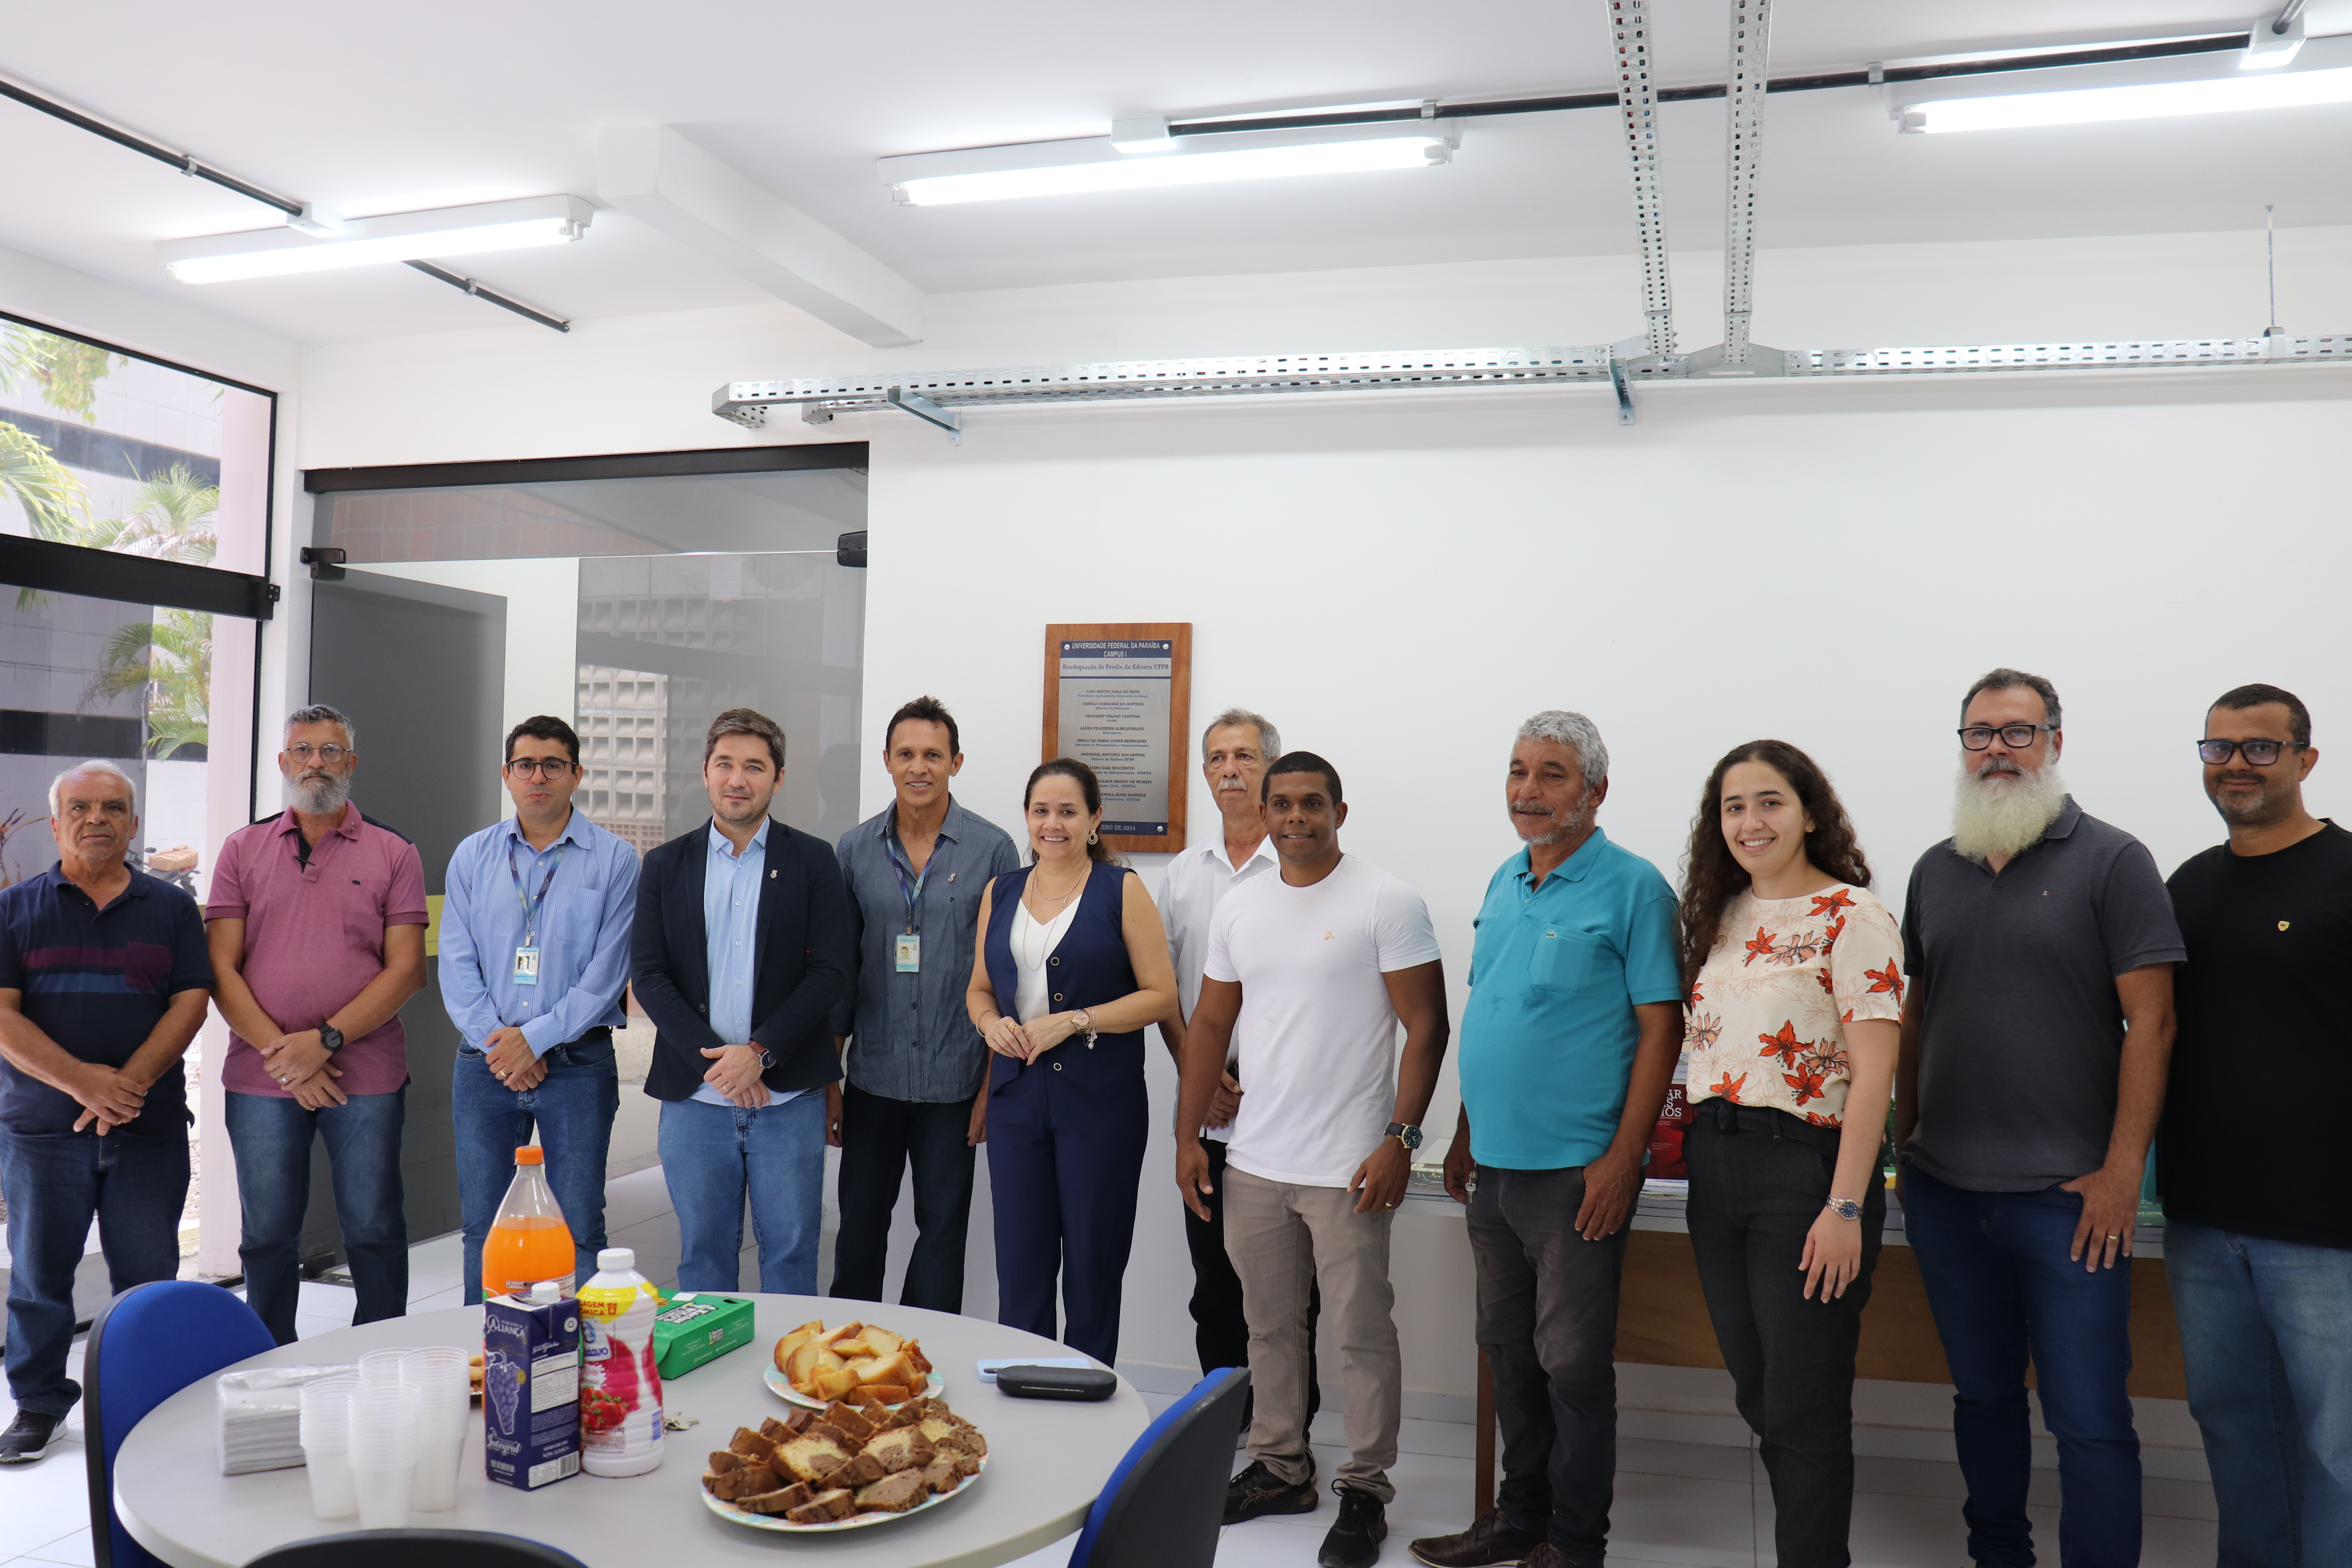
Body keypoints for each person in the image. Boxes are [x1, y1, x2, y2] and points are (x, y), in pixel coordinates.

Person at [1896, 669, 2183, 1568]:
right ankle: (1999, 1557)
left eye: (2017, 733)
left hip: (2069, 1201)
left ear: (2055, 742)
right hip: (1947, 1193)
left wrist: (2120, 1174)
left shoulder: (2113, 859)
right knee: (1982, 1399)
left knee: (2090, 1418)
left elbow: (2156, 1020)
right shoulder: (1933, 870)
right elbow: (1915, 1013)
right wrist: (1905, 1146)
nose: (1996, 750)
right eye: (1979, 734)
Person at [1413, 712, 1681, 1568]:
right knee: (1510, 1356)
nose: (1529, 790)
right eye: (1519, 770)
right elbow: (1491, 1014)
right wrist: (1461, 1129)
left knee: (1572, 1368)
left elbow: (1661, 1029)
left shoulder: (1633, 886)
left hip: (1575, 1176)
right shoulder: (1505, 878)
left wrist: (1622, 1158)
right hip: (1493, 1168)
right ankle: (1518, 1518)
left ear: (1595, 791)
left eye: (1553, 774)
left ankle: (1575, 1543)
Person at [1178, 751, 1450, 1568]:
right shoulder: (1242, 904)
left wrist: (1401, 1138)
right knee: (1268, 1325)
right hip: (1255, 1158)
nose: (1296, 817)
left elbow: (1428, 1027)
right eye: (1282, 803)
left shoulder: (1386, 899)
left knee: (1363, 1332)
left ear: (1339, 808)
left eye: (1311, 803)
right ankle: (1281, 1465)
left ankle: (1365, 1487)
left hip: (1348, 1164)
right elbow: (1210, 1025)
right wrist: (1188, 1134)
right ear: (1263, 810)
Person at [1673, 741, 1903, 1568]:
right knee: (1759, 1388)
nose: (1750, 821)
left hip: (1806, 1170)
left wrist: (1845, 1206)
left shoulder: (1854, 916)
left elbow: (1876, 1075)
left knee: (1802, 1403)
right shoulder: (1719, 914)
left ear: (1810, 812)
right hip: (1716, 1164)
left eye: (1769, 801)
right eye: (1734, 806)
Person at [2158, 683, 2351, 1568]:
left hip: (2326, 1226)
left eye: (2260, 747)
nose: (2236, 763)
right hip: (2203, 1221)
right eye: (2219, 746)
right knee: (2238, 1436)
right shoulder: (2188, 885)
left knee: (2340, 1451)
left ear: (2307, 760)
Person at [0, 763, 212, 1466]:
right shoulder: (13, 910)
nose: (98, 818)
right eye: (81, 808)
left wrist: (130, 1082)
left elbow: (190, 1003)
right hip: (41, 1133)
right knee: (37, 1277)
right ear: (56, 821)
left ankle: (144, 1402)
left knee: (149, 1279)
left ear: (134, 823)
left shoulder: (172, 909)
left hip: (147, 1130)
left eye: (113, 808)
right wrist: (83, 1083)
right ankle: (37, 1407)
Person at [208, 705, 429, 1345]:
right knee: (269, 1232)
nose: (315, 763)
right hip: (262, 1074)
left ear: (351, 765)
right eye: (302, 750)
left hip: (365, 1071)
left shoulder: (395, 852)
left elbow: (406, 970)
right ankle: (268, 1358)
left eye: (331, 752)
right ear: (283, 765)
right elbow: (221, 967)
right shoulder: (242, 848)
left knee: (374, 1226)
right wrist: (287, 1058)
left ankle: (383, 1351)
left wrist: (325, 1042)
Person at [632, 708, 850, 1293]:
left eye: (754, 767)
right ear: (705, 773)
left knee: (791, 1254)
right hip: (695, 1098)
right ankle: (710, 1380)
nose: (737, 779)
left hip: (788, 1099)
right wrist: (721, 1063)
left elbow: (831, 972)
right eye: (724, 764)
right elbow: (649, 976)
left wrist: (759, 1052)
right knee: (703, 1257)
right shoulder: (665, 865)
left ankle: (791, 1378)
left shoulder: (813, 860)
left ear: (778, 779)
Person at [966, 758, 1176, 1365]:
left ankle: (1088, 1407)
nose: (1052, 823)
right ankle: (1022, 1398)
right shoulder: (1001, 890)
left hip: (1100, 1105)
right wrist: (990, 1023)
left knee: (1092, 1266)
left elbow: (1161, 996)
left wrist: (1077, 1020)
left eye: (1067, 811)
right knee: (1022, 1266)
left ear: (1095, 820)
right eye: (1040, 811)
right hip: (1016, 1103)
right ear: (1027, 818)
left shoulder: (1122, 888)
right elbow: (979, 987)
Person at [1153, 706, 1319, 1428]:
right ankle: (1226, 1428)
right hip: (1209, 1111)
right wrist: (1200, 1078)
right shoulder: (1184, 876)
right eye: (1217, 758)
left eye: (1245, 757)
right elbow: (1164, 992)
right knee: (1214, 1286)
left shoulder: (1306, 868)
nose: (1229, 771)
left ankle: (1291, 1432)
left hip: (1291, 1112)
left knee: (1289, 1290)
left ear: (1271, 769)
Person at [439, 715, 640, 1301]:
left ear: (576, 775)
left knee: (578, 1227)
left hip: (577, 1067)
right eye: (525, 765)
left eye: (554, 765)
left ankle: (578, 1360)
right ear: (507, 775)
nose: (539, 777)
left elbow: (607, 975)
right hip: (485, 1066)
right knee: (483, 1227)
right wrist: (503, 1045)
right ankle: (488, 1352)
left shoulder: (615, 860)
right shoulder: (473, 856)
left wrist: (537, 1040)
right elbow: (456, 964)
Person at [830, 696, 1018, 1312]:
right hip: (874, 1078)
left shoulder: (992, 851)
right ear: (886, 761)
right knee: (859, 1231)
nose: (919, 767)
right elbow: (840, 973)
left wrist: (993, 1085)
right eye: (906, 754)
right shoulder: (854, 851)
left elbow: (1006, 978)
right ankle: (848, 1357)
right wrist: (832, 1080)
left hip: (955, 1080)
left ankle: (922, 1360)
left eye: (933, 755)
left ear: (956, 762)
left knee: (942, 1233)